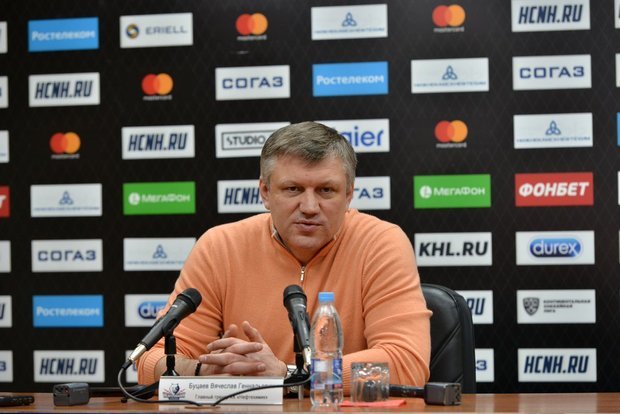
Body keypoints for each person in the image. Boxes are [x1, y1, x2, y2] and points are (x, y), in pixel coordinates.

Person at [137, 121, 431, 392]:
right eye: (293, 189)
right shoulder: (220, 246)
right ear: (265, 192)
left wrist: (288, 375)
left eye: (326, 190)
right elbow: (150, 361)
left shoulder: (380, 243)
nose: (310, 207)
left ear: (349, 194)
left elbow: (406, 364)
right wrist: (206, 371)